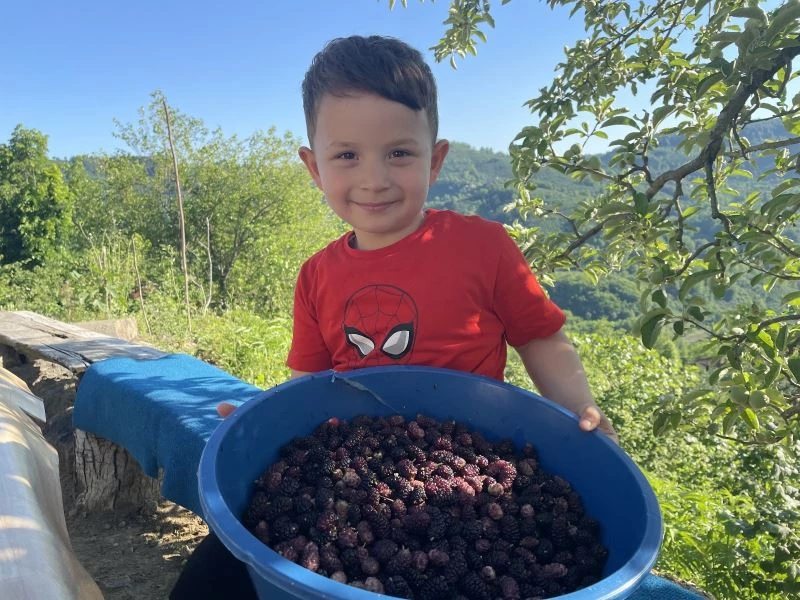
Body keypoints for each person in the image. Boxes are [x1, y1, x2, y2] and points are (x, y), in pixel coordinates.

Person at [170, 34, 615, 599]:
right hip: (351, 468)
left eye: (399, 153)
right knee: (205, 582)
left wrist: (579, 410)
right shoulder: (316, 275)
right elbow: (308, 385)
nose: (374, 178)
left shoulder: (484, 246)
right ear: (313, 167)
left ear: (437, 157)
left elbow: (543, 339)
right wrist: (266, 419)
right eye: (347, 154)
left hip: (470, 468)